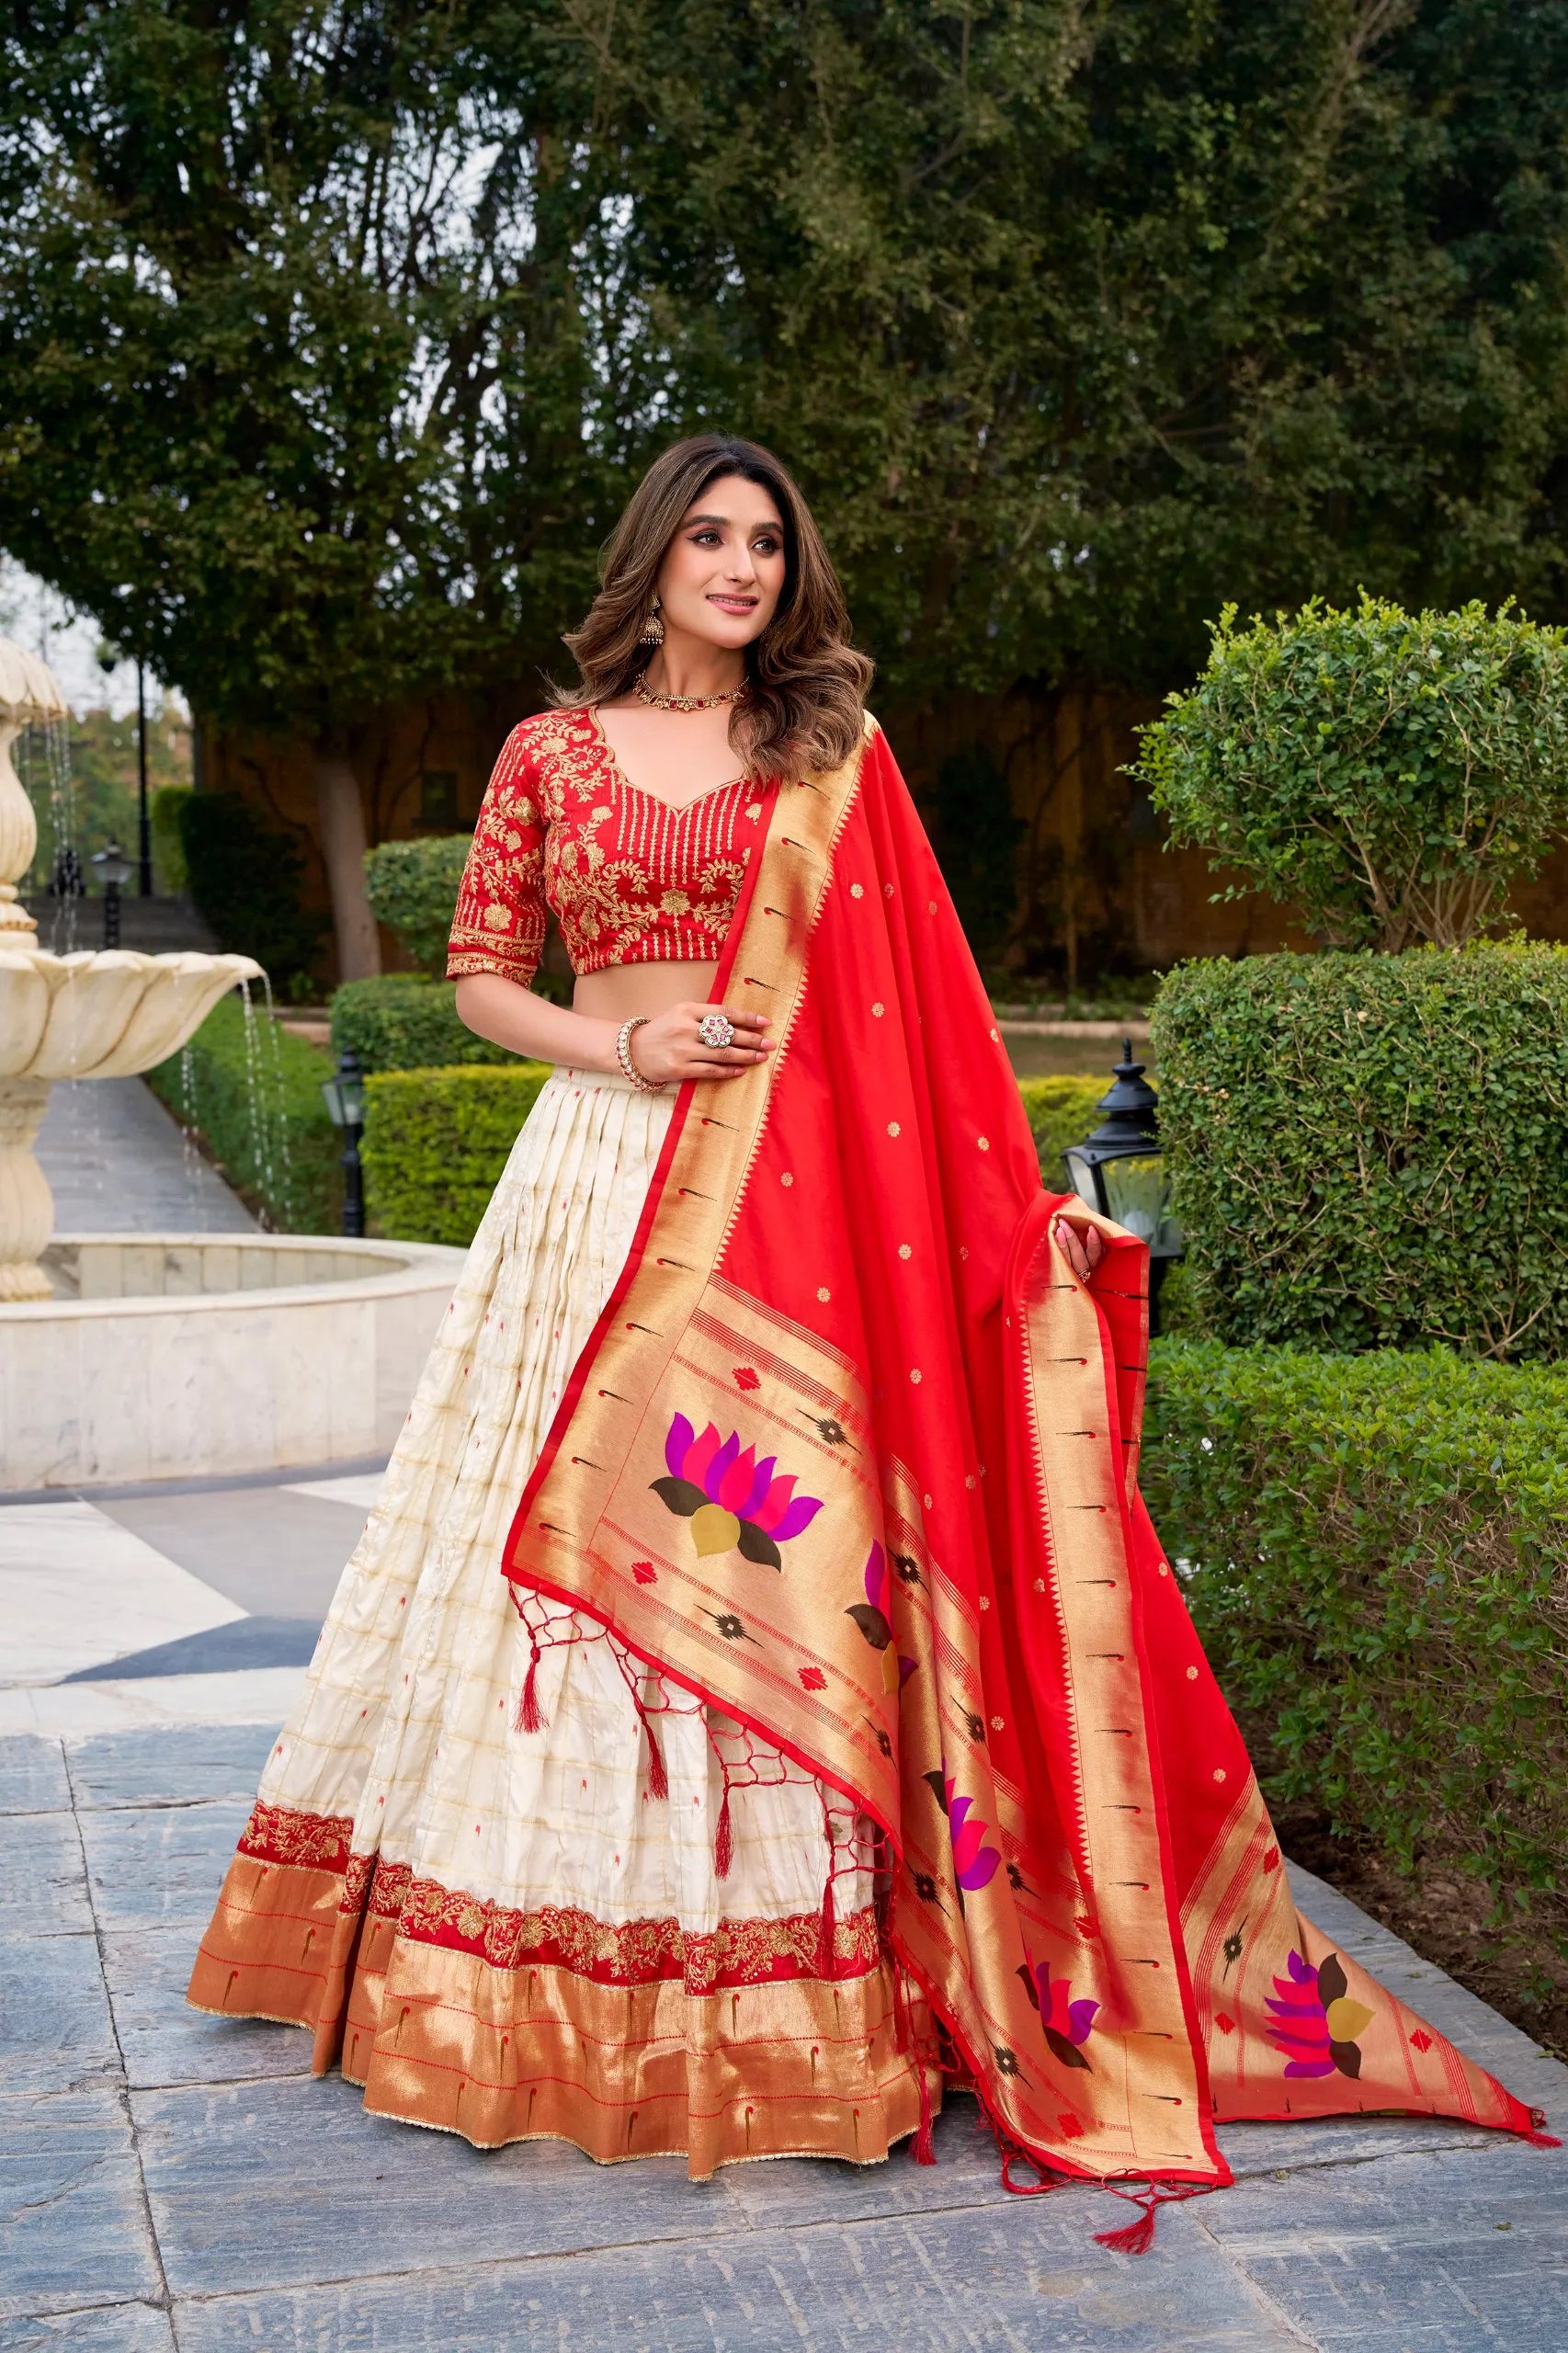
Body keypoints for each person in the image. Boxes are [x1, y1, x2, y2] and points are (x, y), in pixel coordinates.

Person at [190, 434, 1541, 2234]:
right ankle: (526, 1971)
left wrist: (1008, 1220)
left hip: (786, 1194)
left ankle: (796, 1999)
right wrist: (627, 1048)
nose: (740, 567)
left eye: (766, 541)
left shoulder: (831, 753)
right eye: (708, 536)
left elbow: (927, 1022)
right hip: (597, 1178)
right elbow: (482, 978)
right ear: (652, 559)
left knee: (758, 1538)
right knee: (542, 1561)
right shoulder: (550, 751)